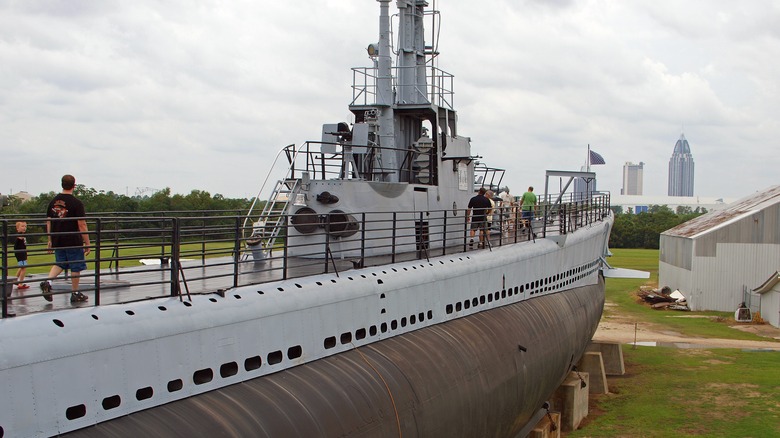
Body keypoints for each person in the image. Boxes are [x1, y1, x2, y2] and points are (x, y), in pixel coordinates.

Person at [41, 174, 91, 303]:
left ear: (62, 184)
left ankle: (48, 281)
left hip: (58, 238)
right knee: (76, 266)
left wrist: (50, 239)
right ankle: (75, 293)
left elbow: (48, 221)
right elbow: (82, 224)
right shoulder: (76, 203)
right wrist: (87, 242)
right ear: (74, 185)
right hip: (72, 239)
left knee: (60, 263)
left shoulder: (53, 201)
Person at [14, 221, 30, 291]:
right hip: (20, 253)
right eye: (22, 226)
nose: (24, 228)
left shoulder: (23, 234)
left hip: (23, 252)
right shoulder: (19, 235)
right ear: (17, 228)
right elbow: (20, 238)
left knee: (21, 267)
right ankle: (20, 283)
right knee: (23, 268)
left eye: (25, 226)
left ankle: (15, 280)